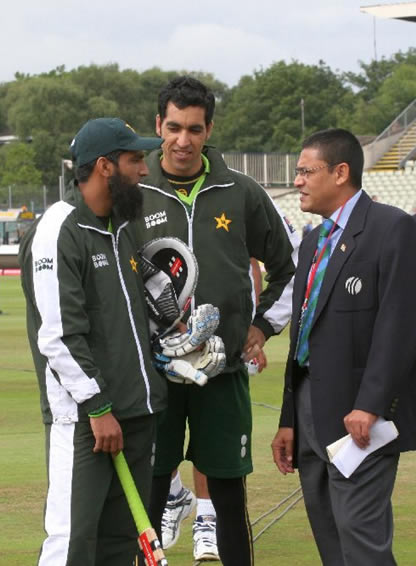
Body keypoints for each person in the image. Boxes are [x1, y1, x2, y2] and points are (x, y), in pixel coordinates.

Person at [132, 76, 300, 566]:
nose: (183, 140)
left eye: (195, 129)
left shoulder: (242, 192)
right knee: (149, 496)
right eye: (174, 127)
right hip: (154, 378)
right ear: (157, 126)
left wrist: (263, 325)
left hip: (222, 374)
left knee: (228, 499)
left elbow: (290, 268)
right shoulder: (132, 192)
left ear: (209, 130)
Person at [271, 128, 416, 566]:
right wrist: (290, 419)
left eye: (307, 171)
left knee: (361, 541)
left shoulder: (391, 228)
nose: (298, 181)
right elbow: (303, 335)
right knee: (330, 540)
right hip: (309, 414)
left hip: (359, 417)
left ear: (340, 172)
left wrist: (372, 404)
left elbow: (398, 326)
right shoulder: (311, 241)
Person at [19, 118, 167, 566]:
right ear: (105, 166)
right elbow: (59, 335)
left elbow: (142, 309)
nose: (144, 170)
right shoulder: (58, 229)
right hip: (86, 421)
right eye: (135, 159)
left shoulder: (123, 224)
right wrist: (98, 407)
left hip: (137, 414)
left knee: (120, 547)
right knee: (73, 544)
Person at [159, 258, 267, 561]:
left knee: (214, 450)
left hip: (218, 349)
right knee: (156, 454)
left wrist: (255, 326)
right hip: (161, 345)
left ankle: (206, 517)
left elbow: (254, 260)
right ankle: (176, 495)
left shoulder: (236, 210)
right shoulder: (141, 211)